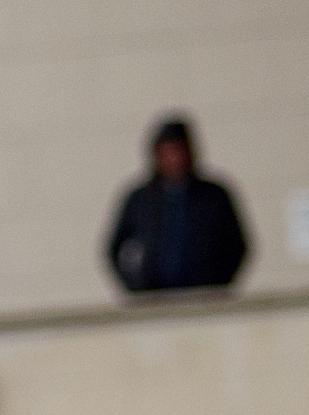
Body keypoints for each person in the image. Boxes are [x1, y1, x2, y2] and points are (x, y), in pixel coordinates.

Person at [106, 115, 249, 293]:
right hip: (155, 295)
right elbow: (113, 248)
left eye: (178, 151)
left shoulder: (214, 196)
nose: (174, 159)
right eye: (168, 152)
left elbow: (238, 245)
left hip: (203, 294)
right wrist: (135, 287)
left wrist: (219, 283)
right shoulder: (140, 199)